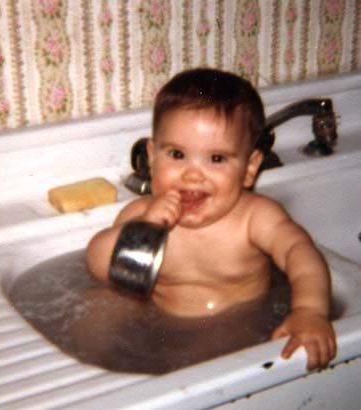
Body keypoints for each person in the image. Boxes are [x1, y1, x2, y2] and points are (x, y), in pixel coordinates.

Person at [86, 68, 336, 371]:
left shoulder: (255, 218)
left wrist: (309, 311)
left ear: (249, 168)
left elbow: (300, 253)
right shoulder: (141, 215)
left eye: (216, 158)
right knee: (99, 310)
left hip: (237, 328)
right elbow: (98, 265)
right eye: (177, 154)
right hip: (158, 328)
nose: (193, 174)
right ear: (152, 157)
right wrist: (145, 229)